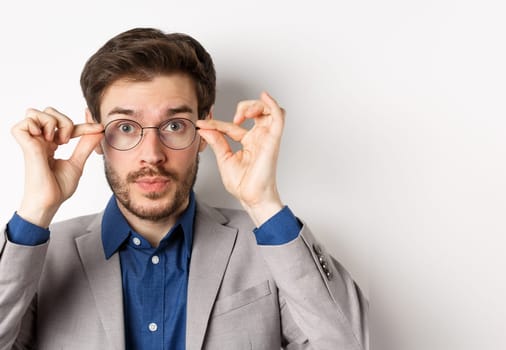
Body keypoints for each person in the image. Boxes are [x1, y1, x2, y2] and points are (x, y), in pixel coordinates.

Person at [0, 27, 368, 350]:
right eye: (126, 127)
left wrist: (264, 202)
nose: (152, 155)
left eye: (174, 125)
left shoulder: (268, 247)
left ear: (204, 130)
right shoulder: (39, 255)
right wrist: (35, 210)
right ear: (95, 133)